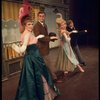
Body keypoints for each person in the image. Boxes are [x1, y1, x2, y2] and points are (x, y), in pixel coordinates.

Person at [12, 6, 60, 100]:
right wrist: (14, 47)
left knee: (35, 77)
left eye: (31, 24)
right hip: (33, 58)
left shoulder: (26, 33)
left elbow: (31, 42)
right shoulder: (27, 34)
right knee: (38, 76)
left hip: (34, 56)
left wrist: (37, 38)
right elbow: (22, 50)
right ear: (25, 25)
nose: (31, 26)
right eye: (29, 24)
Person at [33, 11, 63, 83]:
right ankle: (54, 78)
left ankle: (46, 79)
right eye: (40, 16)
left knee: (45, 64)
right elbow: (39, 37)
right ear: (38, 17)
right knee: (49, 64)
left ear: (44, 17)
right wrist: (50, 38)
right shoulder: (36, 26)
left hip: (45, 47)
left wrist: (52, 38)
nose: (41, 17)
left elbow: (45, 36)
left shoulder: (45, 25)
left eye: (43, 16)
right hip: (41, 48)